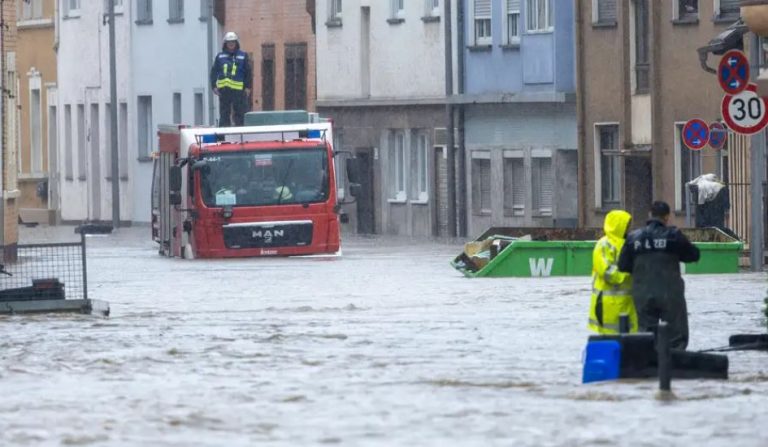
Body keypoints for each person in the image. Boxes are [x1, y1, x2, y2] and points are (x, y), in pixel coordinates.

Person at [618, 201, 700, 350]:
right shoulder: (674, 236)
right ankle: (673, 365)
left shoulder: (633, 238)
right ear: (667, 217)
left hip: (642, 293)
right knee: (676, 336)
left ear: (650, 214)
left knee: (645, 334)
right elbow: (694, 255)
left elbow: (622, 265)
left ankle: (648, 365)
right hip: (670, 293)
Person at [588, 209, 637, 335]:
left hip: (627, 303)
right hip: (607, 304)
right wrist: (628, 275)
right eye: (626, 225)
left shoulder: (629, 243)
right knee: (609, 340)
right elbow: (606, 271)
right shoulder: (603, 245)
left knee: (629, 340)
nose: (628, 228)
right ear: (618, 225)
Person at [210, 32, 251, 127]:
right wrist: (214, 86)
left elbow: (248, 72)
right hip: (224, 91)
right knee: (224, 115)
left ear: (236, 43)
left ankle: (240, 135)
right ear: (225, 43)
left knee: (240, 114)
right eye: (229, 42)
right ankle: (223, 136)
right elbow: (214, 72)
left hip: (239, 91)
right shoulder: (220, 56)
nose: (231, 44)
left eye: (233, 42)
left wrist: (248, 87)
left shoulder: (243, 55)